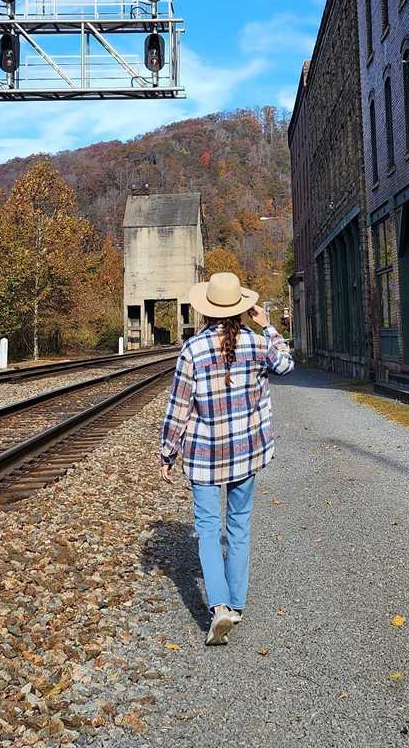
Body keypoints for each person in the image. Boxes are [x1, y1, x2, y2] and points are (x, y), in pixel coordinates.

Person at [159, 271, 294, 645]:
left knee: (206, 527)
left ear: (206, 311)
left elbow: (179, 405)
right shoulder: (256, 344)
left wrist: (168, 452)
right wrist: (269, 328)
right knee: (238, 526)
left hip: (204, 453)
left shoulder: (194, 349)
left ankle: (217, 606)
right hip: (245, 451)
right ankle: (235, 605)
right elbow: (285, 365)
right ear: (240, 310)